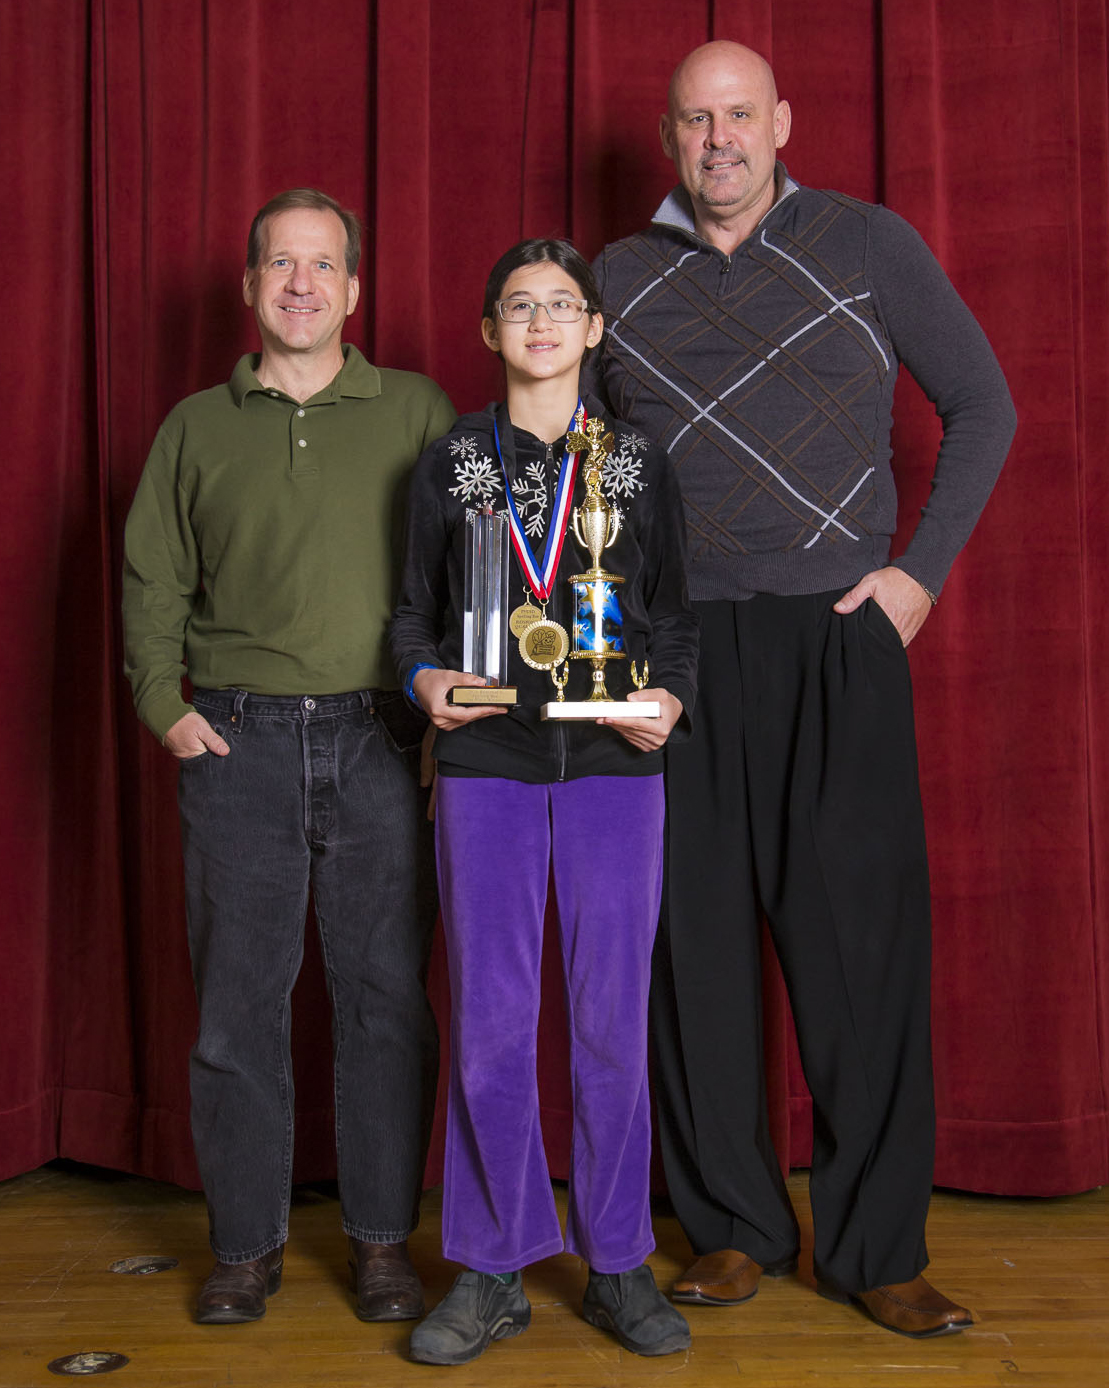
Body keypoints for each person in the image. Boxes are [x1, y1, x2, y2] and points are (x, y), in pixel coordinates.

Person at [591, 42, 1017, 1338]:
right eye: (693, 120)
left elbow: (984, 407)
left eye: (738, 115)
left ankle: (877, 1248)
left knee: (862, 957)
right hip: (681, 655)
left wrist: (914, 582)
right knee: (693, 952)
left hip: (838, 638)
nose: (717, 139)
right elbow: (584, 478)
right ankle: (727, 1228)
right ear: (667, 138)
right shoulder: (611, 279)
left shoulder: (864, 242)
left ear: (779, 123)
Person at [122, 188, 454, 1326]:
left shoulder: (415, 410)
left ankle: (378, 1241)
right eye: (280, 264)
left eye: (322, 266)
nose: (301, 283)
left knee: (384, 1004)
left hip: (380, 737)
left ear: (354, 291)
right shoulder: (193, 426)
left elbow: (459, 580)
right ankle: (245, 1246)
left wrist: (437, 728)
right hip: (239, 739)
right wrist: (163, 702)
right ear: (252, 287)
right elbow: (152, 576)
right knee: (235, 1008)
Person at [391, 239, 699, 1365]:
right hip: (487, 769)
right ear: (487, 331)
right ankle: (490, 1260)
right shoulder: (448, 465)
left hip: (616, 770)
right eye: (516, 303)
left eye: (560, 304)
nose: (538, 320)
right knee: (489, 1022)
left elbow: (672, 619)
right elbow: (410, 621)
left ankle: (616, 1258)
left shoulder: (638, 464)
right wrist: (425, 683)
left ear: (595, 327)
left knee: (612, 1025)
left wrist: (666, 698)